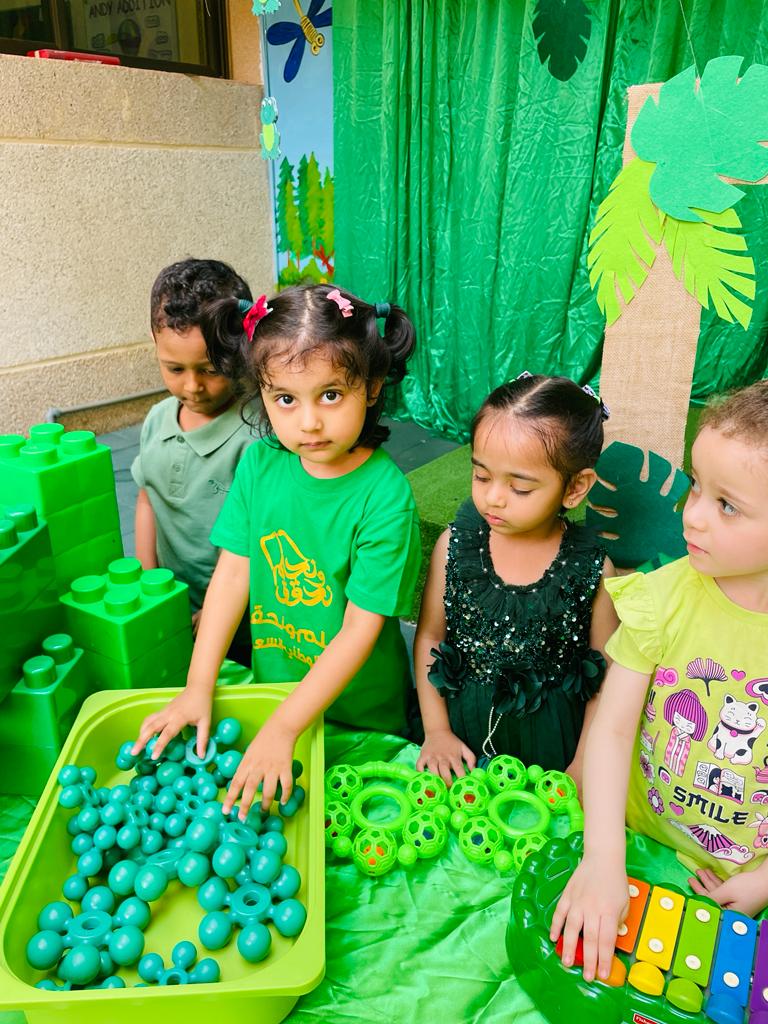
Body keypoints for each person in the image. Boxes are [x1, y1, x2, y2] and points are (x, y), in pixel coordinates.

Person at [132, 284, 421, 817]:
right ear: (261, 393)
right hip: (276, 695)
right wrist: (198, 686)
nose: (308, 422)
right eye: (285, 399)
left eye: (329, 395)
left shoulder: (385, 497)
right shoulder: (260, 463)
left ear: (372, 386)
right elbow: (232, 575)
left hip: (357, 716)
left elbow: (360, 629)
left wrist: (286, 727)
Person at [551, 380, 768, 982]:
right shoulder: (663, 598)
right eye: (696, 485)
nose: (692, 514)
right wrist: (603, 859)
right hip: (634, 844)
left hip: (743, 880)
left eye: (727, 505)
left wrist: (764, 882)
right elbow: (613, 730)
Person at [415, 372, 618, 786]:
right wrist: (436, 732)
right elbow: (431, 636)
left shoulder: (593, 570)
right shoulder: (454, 547)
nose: (493, 497)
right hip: (460, 742)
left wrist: (585, 762)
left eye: (520, 488)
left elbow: (606, 677)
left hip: (554, 751)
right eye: (481, 476)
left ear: (575, 487)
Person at [131, 258, 255, 665]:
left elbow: (264, 539)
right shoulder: (156, 421)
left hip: (245, 618)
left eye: (210, 369)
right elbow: (148, 499)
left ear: (241, 349)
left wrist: (218, 611)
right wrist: (150, 581)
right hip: (175, 608)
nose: (192, 385)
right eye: (174, 368)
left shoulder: (256, 438)